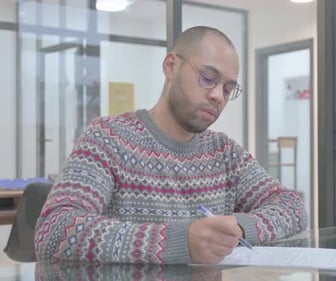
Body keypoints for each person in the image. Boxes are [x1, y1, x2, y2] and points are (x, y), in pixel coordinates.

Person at [34, 26, 308, 265]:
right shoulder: (108, 138)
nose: (217, 96)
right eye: (208, 78)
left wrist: (237, 228)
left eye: (227, 89)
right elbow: (56, 230)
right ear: (170, 66)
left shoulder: (225, 153)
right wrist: (178, 242)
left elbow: (291, 207)